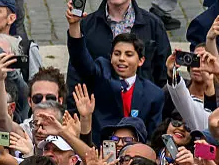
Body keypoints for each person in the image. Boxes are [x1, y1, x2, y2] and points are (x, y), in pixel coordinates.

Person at [66, 11, 164, 142]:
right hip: (99, 148)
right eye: (117, 54)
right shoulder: (101, 73)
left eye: (129, 55)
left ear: (141, 61)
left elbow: (154, 137)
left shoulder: (153, 94)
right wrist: (74, 26)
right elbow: (79, 59)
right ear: (111, 57)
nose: (121, 59)